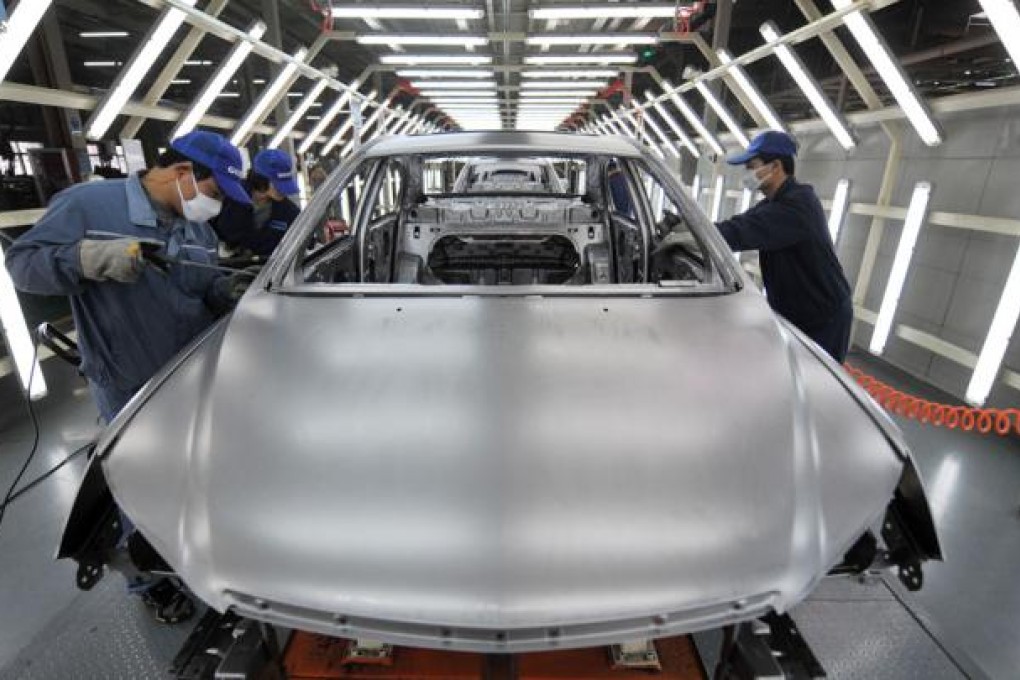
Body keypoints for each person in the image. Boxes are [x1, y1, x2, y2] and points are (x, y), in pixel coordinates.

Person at [5, 130, 253, 624]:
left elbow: (203, 290)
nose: (216, 205)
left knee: (195, 476)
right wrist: (85, 260)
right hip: (128, 379)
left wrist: (240, 294)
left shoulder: (196, 228)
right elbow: (22, 266)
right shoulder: (88, 205)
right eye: (217, 192)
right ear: (184, 173)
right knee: (139, 485)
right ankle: (150, 581)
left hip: (189, 374)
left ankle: (201, 559)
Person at [715, 131, 853, 363]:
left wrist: (690, 233)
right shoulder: (773, 203)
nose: (747, 173)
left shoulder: (797, 206)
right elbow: (736, 225)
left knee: (815, 384)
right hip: (796, 312)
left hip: (822, 319)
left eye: (752, 166)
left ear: (776, 166)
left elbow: (739, 232)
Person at [211, 148, 300, 259]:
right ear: (261, 179)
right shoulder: (228, 197)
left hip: (269, 272)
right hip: (224, 268)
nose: (283, 191)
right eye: (278, 184)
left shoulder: (290, 213)